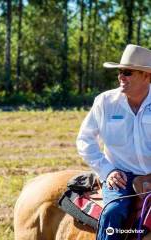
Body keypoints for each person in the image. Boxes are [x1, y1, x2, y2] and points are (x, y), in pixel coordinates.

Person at [76, 44, 151, 240]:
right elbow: (85, 140)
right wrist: (108, 170)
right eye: (119, 72)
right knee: (113, 212)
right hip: (120, 176)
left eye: (127, 72)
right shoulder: (105, 102)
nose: (120, 77)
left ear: (147, 76)